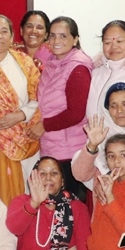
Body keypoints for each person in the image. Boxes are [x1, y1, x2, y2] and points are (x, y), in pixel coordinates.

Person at [0, 13, 40, 204]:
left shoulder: (26, 63)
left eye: (4, 31)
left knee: (28, 193)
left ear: (12, 37)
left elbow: (39, 99)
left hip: (25, 138)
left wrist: (20, 115)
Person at [33, 16, 92, 200]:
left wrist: (44, 125)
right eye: (52, 35)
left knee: (71, 206)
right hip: (51, 148)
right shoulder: (51, 63)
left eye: (63, 36)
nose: (56, 40)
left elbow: (76, 113)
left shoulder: (78, 67)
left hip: (70, 152)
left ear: (75, 39)